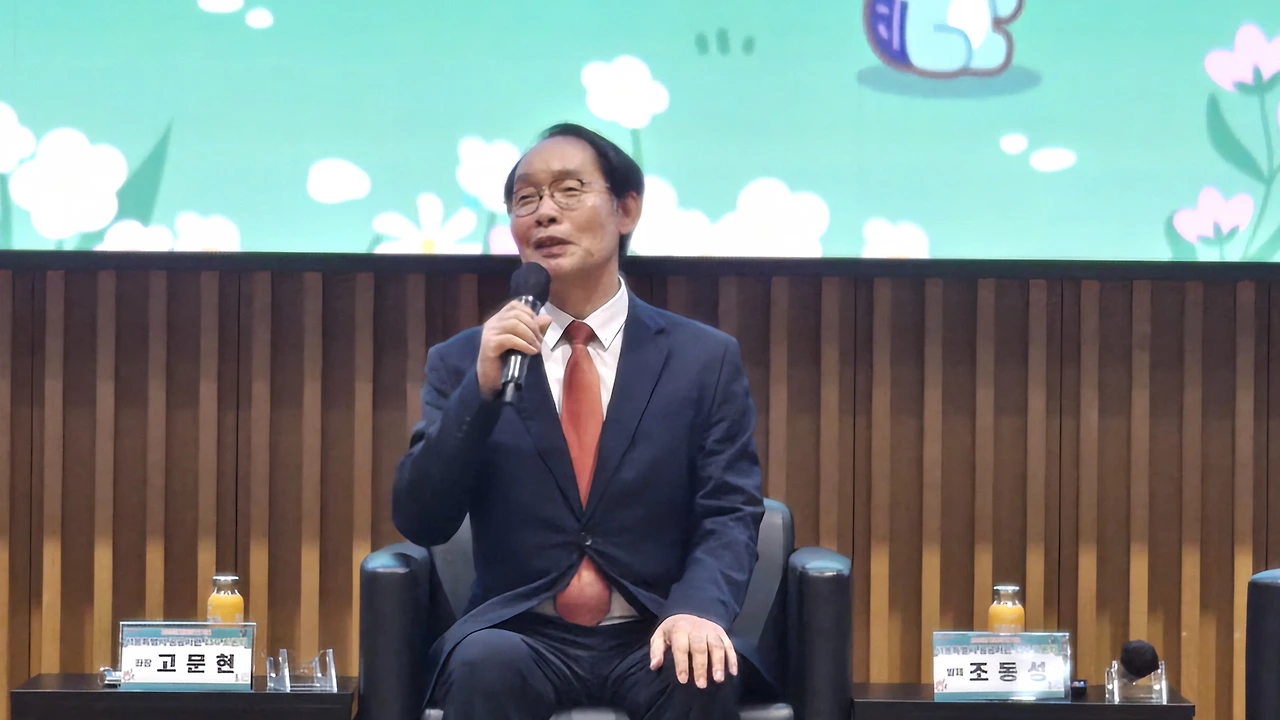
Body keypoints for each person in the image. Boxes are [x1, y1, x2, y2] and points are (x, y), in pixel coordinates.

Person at [391, 122, 765, 719]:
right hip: (520, 633)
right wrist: (478, 395)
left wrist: (697, 609)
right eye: (526, 199)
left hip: (652, 624)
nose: (545, 213)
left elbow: (729, 509)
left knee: (700, 672)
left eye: (569, 191)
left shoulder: (703, 359)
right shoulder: (465, 362)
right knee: (483, 664)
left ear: (626, 210)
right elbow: (422, 519)